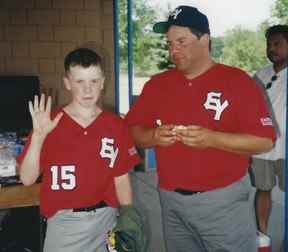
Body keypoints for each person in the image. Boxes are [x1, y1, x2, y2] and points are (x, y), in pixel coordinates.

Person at [125, 5, 276, 252]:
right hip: (170, 201)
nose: (173, 49)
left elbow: (264, 141)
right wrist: (152, 136)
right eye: (170, 43)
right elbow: (131, 131)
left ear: (204, 39)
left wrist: (212, 139)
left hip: (223, 202)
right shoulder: (157, 85)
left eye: (181, 41)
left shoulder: (237, 82)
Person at [17, 48, 140, 252]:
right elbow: (27, 178)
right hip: (65, 223)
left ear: (102, 82)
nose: (88, 90)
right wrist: (38, 137)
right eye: (80, 82)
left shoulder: (115, 125)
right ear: (67, 83)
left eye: (93, 81)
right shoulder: (49, 122)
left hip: (107, 219)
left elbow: (121, 177)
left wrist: (127, 214)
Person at [251, 25, 288, 235]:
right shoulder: (260, 75)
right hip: (262, 147)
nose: (272, 49)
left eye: (277, 44)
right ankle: (262, 235)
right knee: (262, 189)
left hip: (286, 147)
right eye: (269, 44)